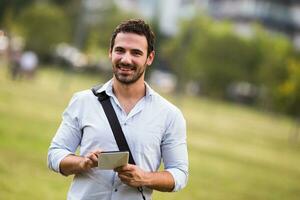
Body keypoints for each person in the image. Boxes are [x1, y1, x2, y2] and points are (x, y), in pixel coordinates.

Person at [47, 19, 188, 200]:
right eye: (120, 50)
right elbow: (55, 154)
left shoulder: (170, 115)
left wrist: (145, 178)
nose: (126, 59)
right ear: (110, 52)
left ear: (149, 58)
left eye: (136, 53)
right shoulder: (83, 101)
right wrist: (84, 163)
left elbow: (179, 173)